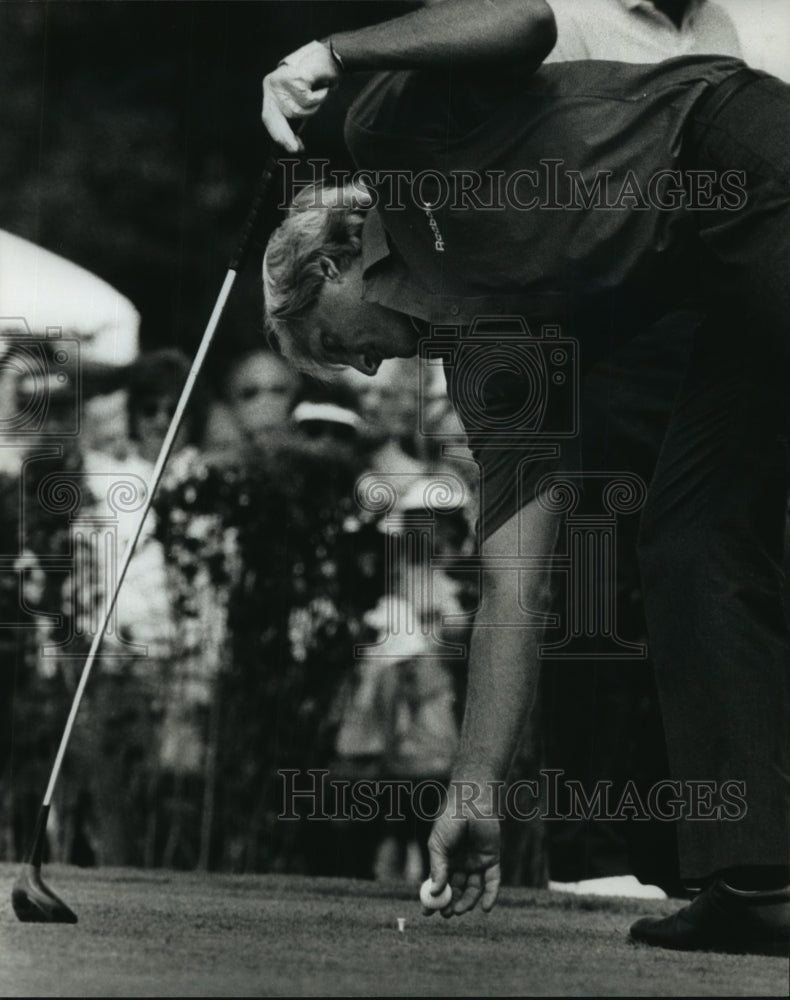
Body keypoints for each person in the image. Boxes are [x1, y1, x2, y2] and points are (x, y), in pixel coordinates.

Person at [260, 0, 790, 953]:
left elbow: (523, 20)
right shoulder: (488, 359)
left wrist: (332, 51)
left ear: (335, 263)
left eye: (341, 350)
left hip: (748, 154)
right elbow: (515, 583)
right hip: (726, 277)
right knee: (690, 536)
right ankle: (760, 882)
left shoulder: (388, 135)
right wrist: (473, 789)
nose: (374, 370)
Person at [540, 0, 744, 901]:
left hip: (699, 323)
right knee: (595, 585)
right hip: (600, 325)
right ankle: (589, 849)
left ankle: (681, 853)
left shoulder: (720, 29)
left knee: (688, 577)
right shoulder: (570, 15)